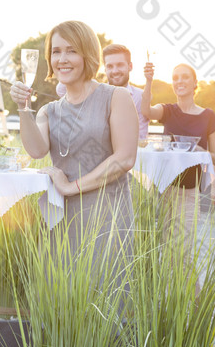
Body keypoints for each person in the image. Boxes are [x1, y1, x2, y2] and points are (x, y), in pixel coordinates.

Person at [9, 20, 137, 250]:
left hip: (107, 222)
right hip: (60, 221)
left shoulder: (117, 97)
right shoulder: (49, 111)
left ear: (88, 54)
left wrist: (71, 187)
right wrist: (22, 107)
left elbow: (125, 158)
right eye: (56, 52)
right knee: (59, 284)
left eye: (72, 50)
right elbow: (37, 151)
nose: (62, 59)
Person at [141, 62, 215, 243]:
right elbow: (146, 111)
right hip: (164, 189)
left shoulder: (208, 115)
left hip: (189, 191)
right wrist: (148, 81)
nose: (179, 81)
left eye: (185, 77)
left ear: (195, 83)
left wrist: (199, 149)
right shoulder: (168, 111)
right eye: (175, 78)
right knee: (164, 245)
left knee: (184, 250)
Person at [102, 44, 150, 139]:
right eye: (110, 66)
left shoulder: (140, 97)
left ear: (130, 66)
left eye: (120, 65)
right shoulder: (96, 95)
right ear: (105, 69)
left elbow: (140, 138)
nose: (115, 71)